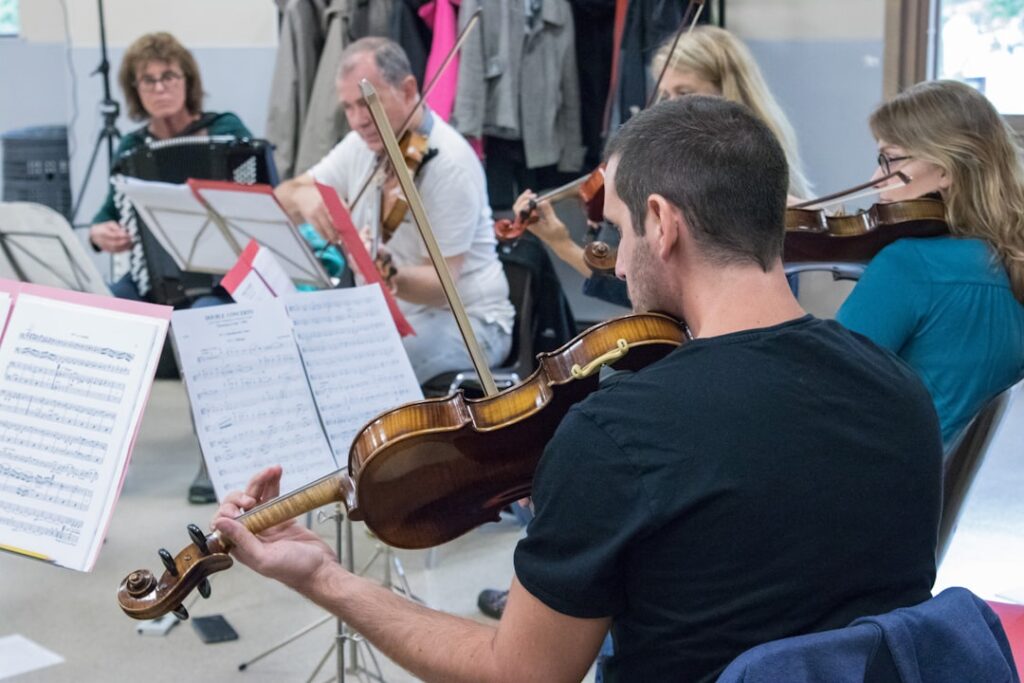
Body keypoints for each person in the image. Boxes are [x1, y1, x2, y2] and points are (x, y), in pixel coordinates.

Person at [213, 96, 943, 682]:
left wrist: (325, 577)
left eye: (620, 230)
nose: (618, 264)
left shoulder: (618, 435)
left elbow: (519, 672)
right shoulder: (901, 391)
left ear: (662, 224)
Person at [515, 25, 812, 308]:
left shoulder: (750, 167)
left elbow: (647, 290)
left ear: (727, 91)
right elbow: (629, 282)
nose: (672, 108)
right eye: (666, 96)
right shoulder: (675, 167)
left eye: (685, 93)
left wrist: (562, 244)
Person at [274, 37, 513, 384]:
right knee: (302, 354)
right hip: (386, 320)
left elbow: (439, 285)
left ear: (408, 88)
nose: (358, 120)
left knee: (364, 374)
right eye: (348, 108)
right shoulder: (361, 146)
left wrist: (391, 276)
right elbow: (284, 196)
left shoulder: (450, 164)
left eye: (368, 103)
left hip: (469, 321)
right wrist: (304, 198)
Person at [837, 80, 1024, 450]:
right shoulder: (1011, 262)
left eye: (890, 159)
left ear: (945, 170)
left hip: (881, 484)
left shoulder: (909, 265)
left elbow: (822, 387)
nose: (876, 180)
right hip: (953, 495)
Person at [87, 31, 252, 302]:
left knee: (206, 316)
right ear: (135, 90)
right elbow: (106, 214)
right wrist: (99, 233)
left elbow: (259, 198)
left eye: (168, 76)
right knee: (109, 306)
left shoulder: (225, 131)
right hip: (151, 279)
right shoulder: (132, 147)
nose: (159, 88)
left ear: (187, 81)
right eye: (148, 80)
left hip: (221, 279)